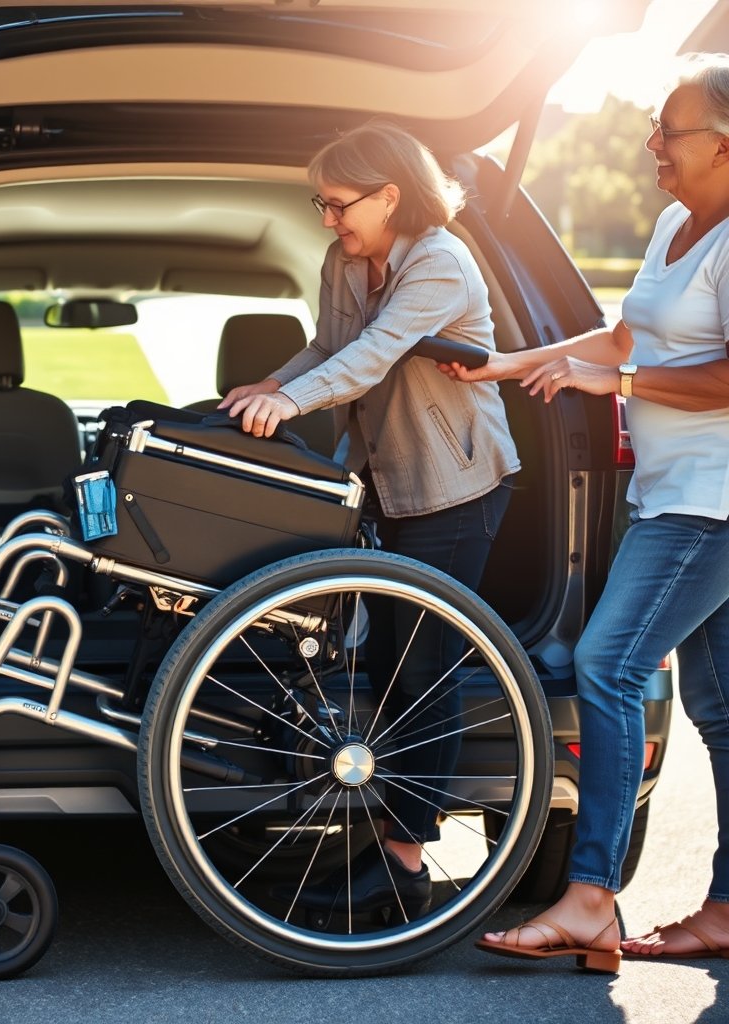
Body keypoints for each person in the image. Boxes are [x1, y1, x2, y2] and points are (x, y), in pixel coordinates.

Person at [441, 53, 729, 973]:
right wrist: (507, 364)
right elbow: (618, 334)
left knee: (606, 664)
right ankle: (727, 907)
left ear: (723, 144)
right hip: (668, 496)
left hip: (711, 506)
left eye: (669, 130)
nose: (653, 143)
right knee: (722, 713)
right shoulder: (678, 224)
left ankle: (592, 897)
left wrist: (623, 380)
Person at [219, 117, 520, 922]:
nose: (326, 220)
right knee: (384, 669)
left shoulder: (441, 264)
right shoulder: (347, 259)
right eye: (320, 203)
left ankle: (407, 865)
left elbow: (374, 355)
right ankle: (385, 843)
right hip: (385, 480)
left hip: (454, 487)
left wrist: (291, 402)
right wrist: (263, 387)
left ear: (391, 196)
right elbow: (327, 346)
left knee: (424, 674)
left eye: (337, 204)